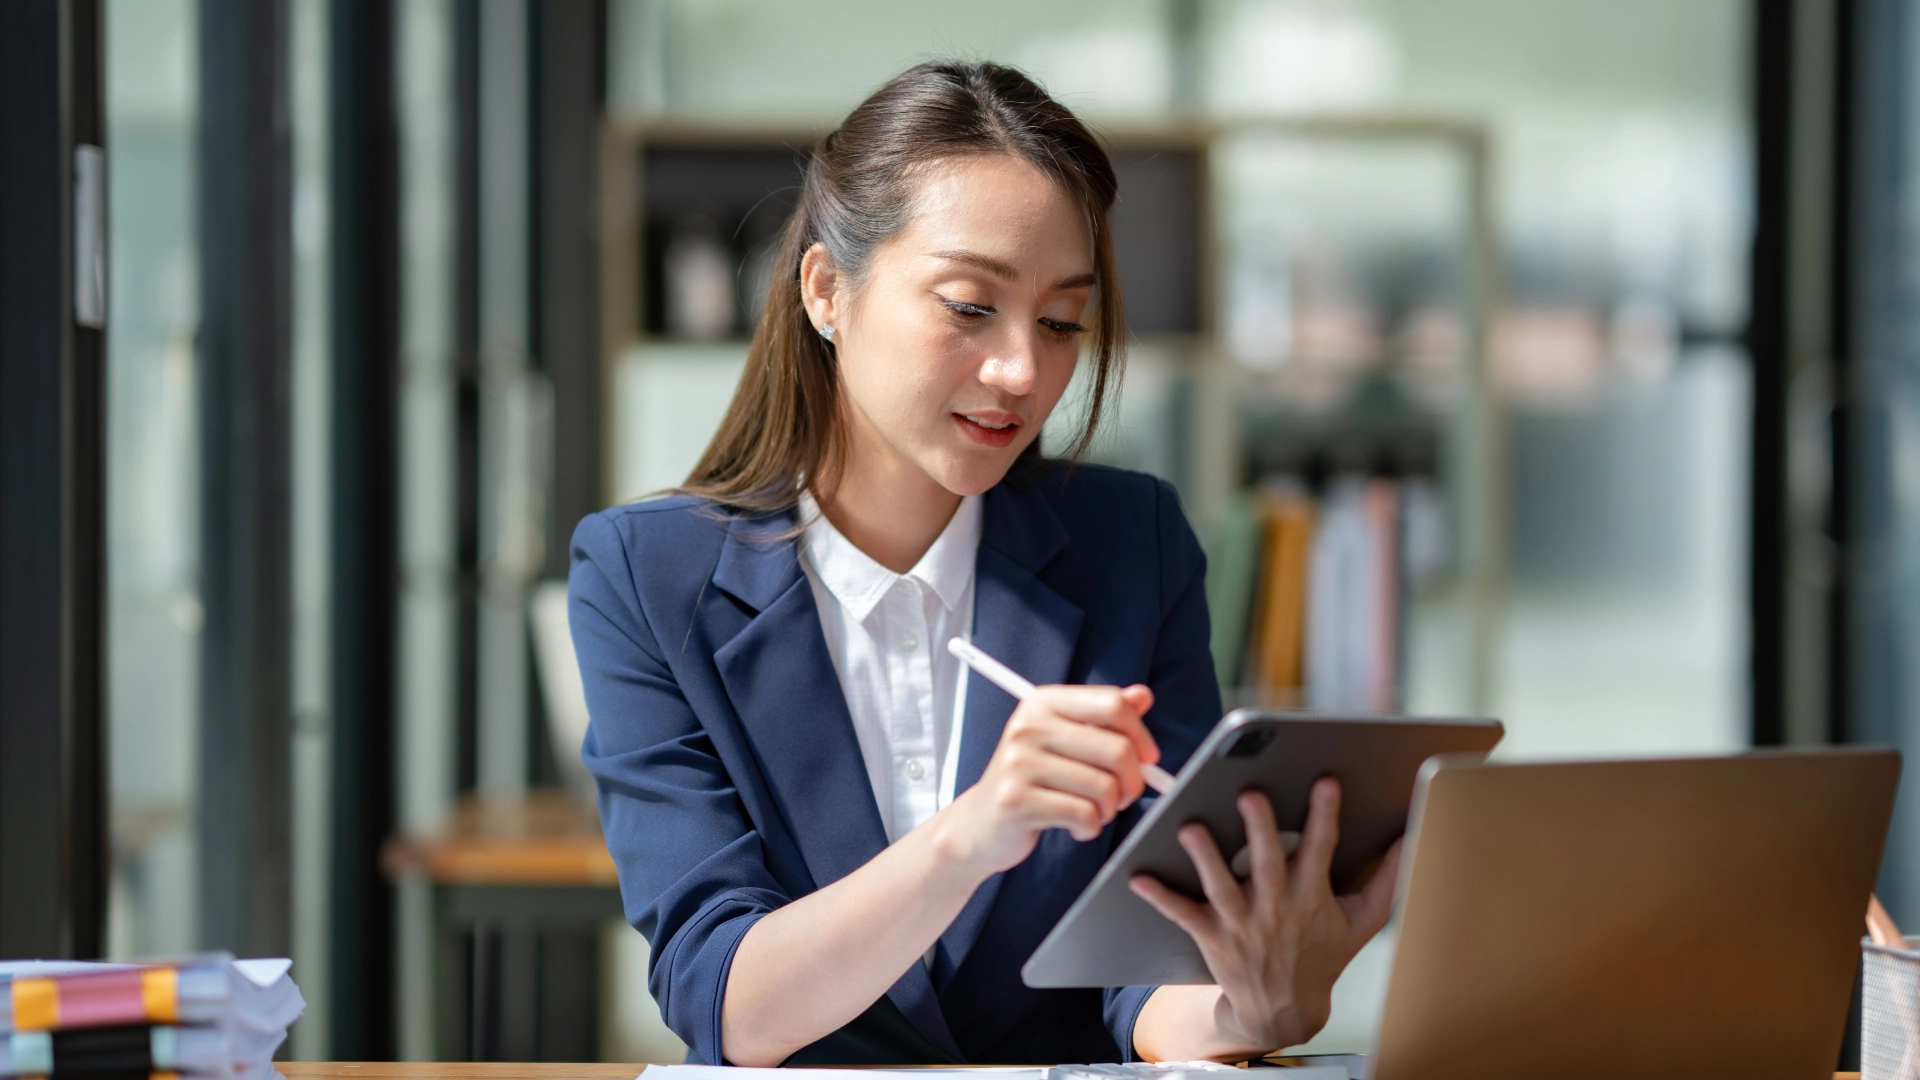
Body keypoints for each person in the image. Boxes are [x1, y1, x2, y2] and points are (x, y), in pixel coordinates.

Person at [568, 59, 1399, 1068]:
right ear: (828, 289)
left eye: (1060, 323)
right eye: (970, 306)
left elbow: (1144, 976)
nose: (1022, 372)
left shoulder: (1129, 547)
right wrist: (974, 833)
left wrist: (1253, 1006)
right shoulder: (645, 578)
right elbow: (728, 1000)